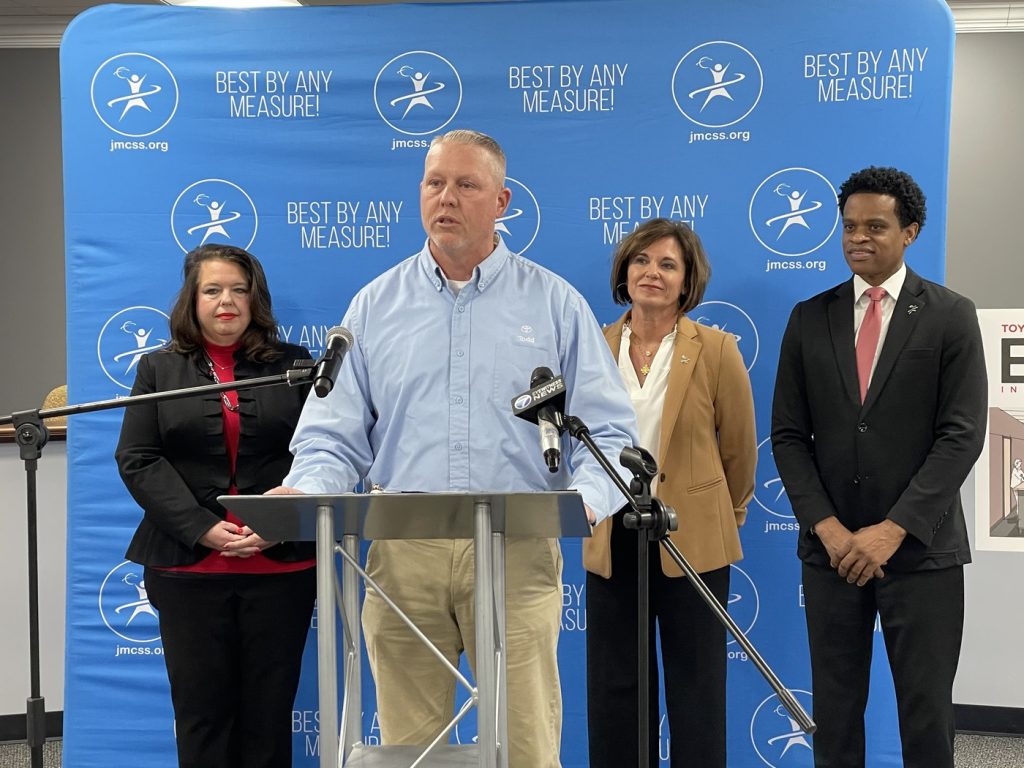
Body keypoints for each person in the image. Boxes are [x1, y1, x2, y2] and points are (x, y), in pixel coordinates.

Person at [270, 129, 638, 768]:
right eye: (434, 183)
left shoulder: (554, 303)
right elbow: (333, 435)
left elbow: (607, 432)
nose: (446, 197)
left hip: (515, 545)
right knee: (413, 750)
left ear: (501, 201)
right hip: (400, 552)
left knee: (524, 745)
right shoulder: (374, 306)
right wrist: (304, 490)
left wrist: (586, 500)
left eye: (466, 184)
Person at [771, 167, 987, 768]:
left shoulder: (950, 315)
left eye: (875, 226)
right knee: (836, 715)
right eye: (849, 227)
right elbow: (788, 436)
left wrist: (893, 531)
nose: (857, 238)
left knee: (926, 714)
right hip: (833, 554)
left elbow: (962, 436)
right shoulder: (809, 317)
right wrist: (828, 528)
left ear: (910, 232)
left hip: (921, 551)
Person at [115, 244, 316, 768]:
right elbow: (137, 457)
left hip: (280, 568)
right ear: (192, 299)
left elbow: (321, 451)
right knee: (201, 716)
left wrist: (279, 520)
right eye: (213, 290)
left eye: (238, 290)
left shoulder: (295, 366)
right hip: (188, 570)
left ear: (255, 299)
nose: (227, 301)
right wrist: (201, 527)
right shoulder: (158, 368)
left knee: (268, 716)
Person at [584, 218, 756, 768]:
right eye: (641, 260)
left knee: (696, 688)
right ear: (624, 271)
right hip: (612, 537)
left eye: (667, 264)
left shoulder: (717, 349)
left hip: (692, 538)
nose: (651, 273)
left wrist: (723, 514)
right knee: (615, 689)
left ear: (687, 280)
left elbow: (740, 449)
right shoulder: (593, 346)